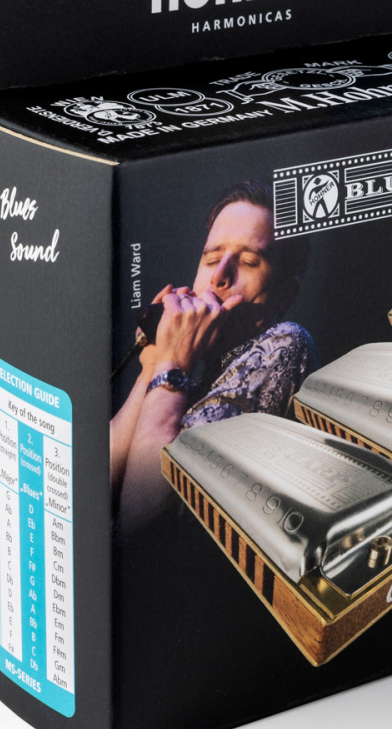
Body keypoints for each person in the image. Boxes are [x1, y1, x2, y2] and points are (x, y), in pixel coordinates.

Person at [112, 180, 315, 532]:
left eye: (248, 262)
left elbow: (138, 519)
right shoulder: (193, 375)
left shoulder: (286, 343)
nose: (219, 276)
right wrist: (154, 363)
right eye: (211, 259)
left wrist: (172, 365)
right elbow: (91, 490)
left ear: (285, 294)